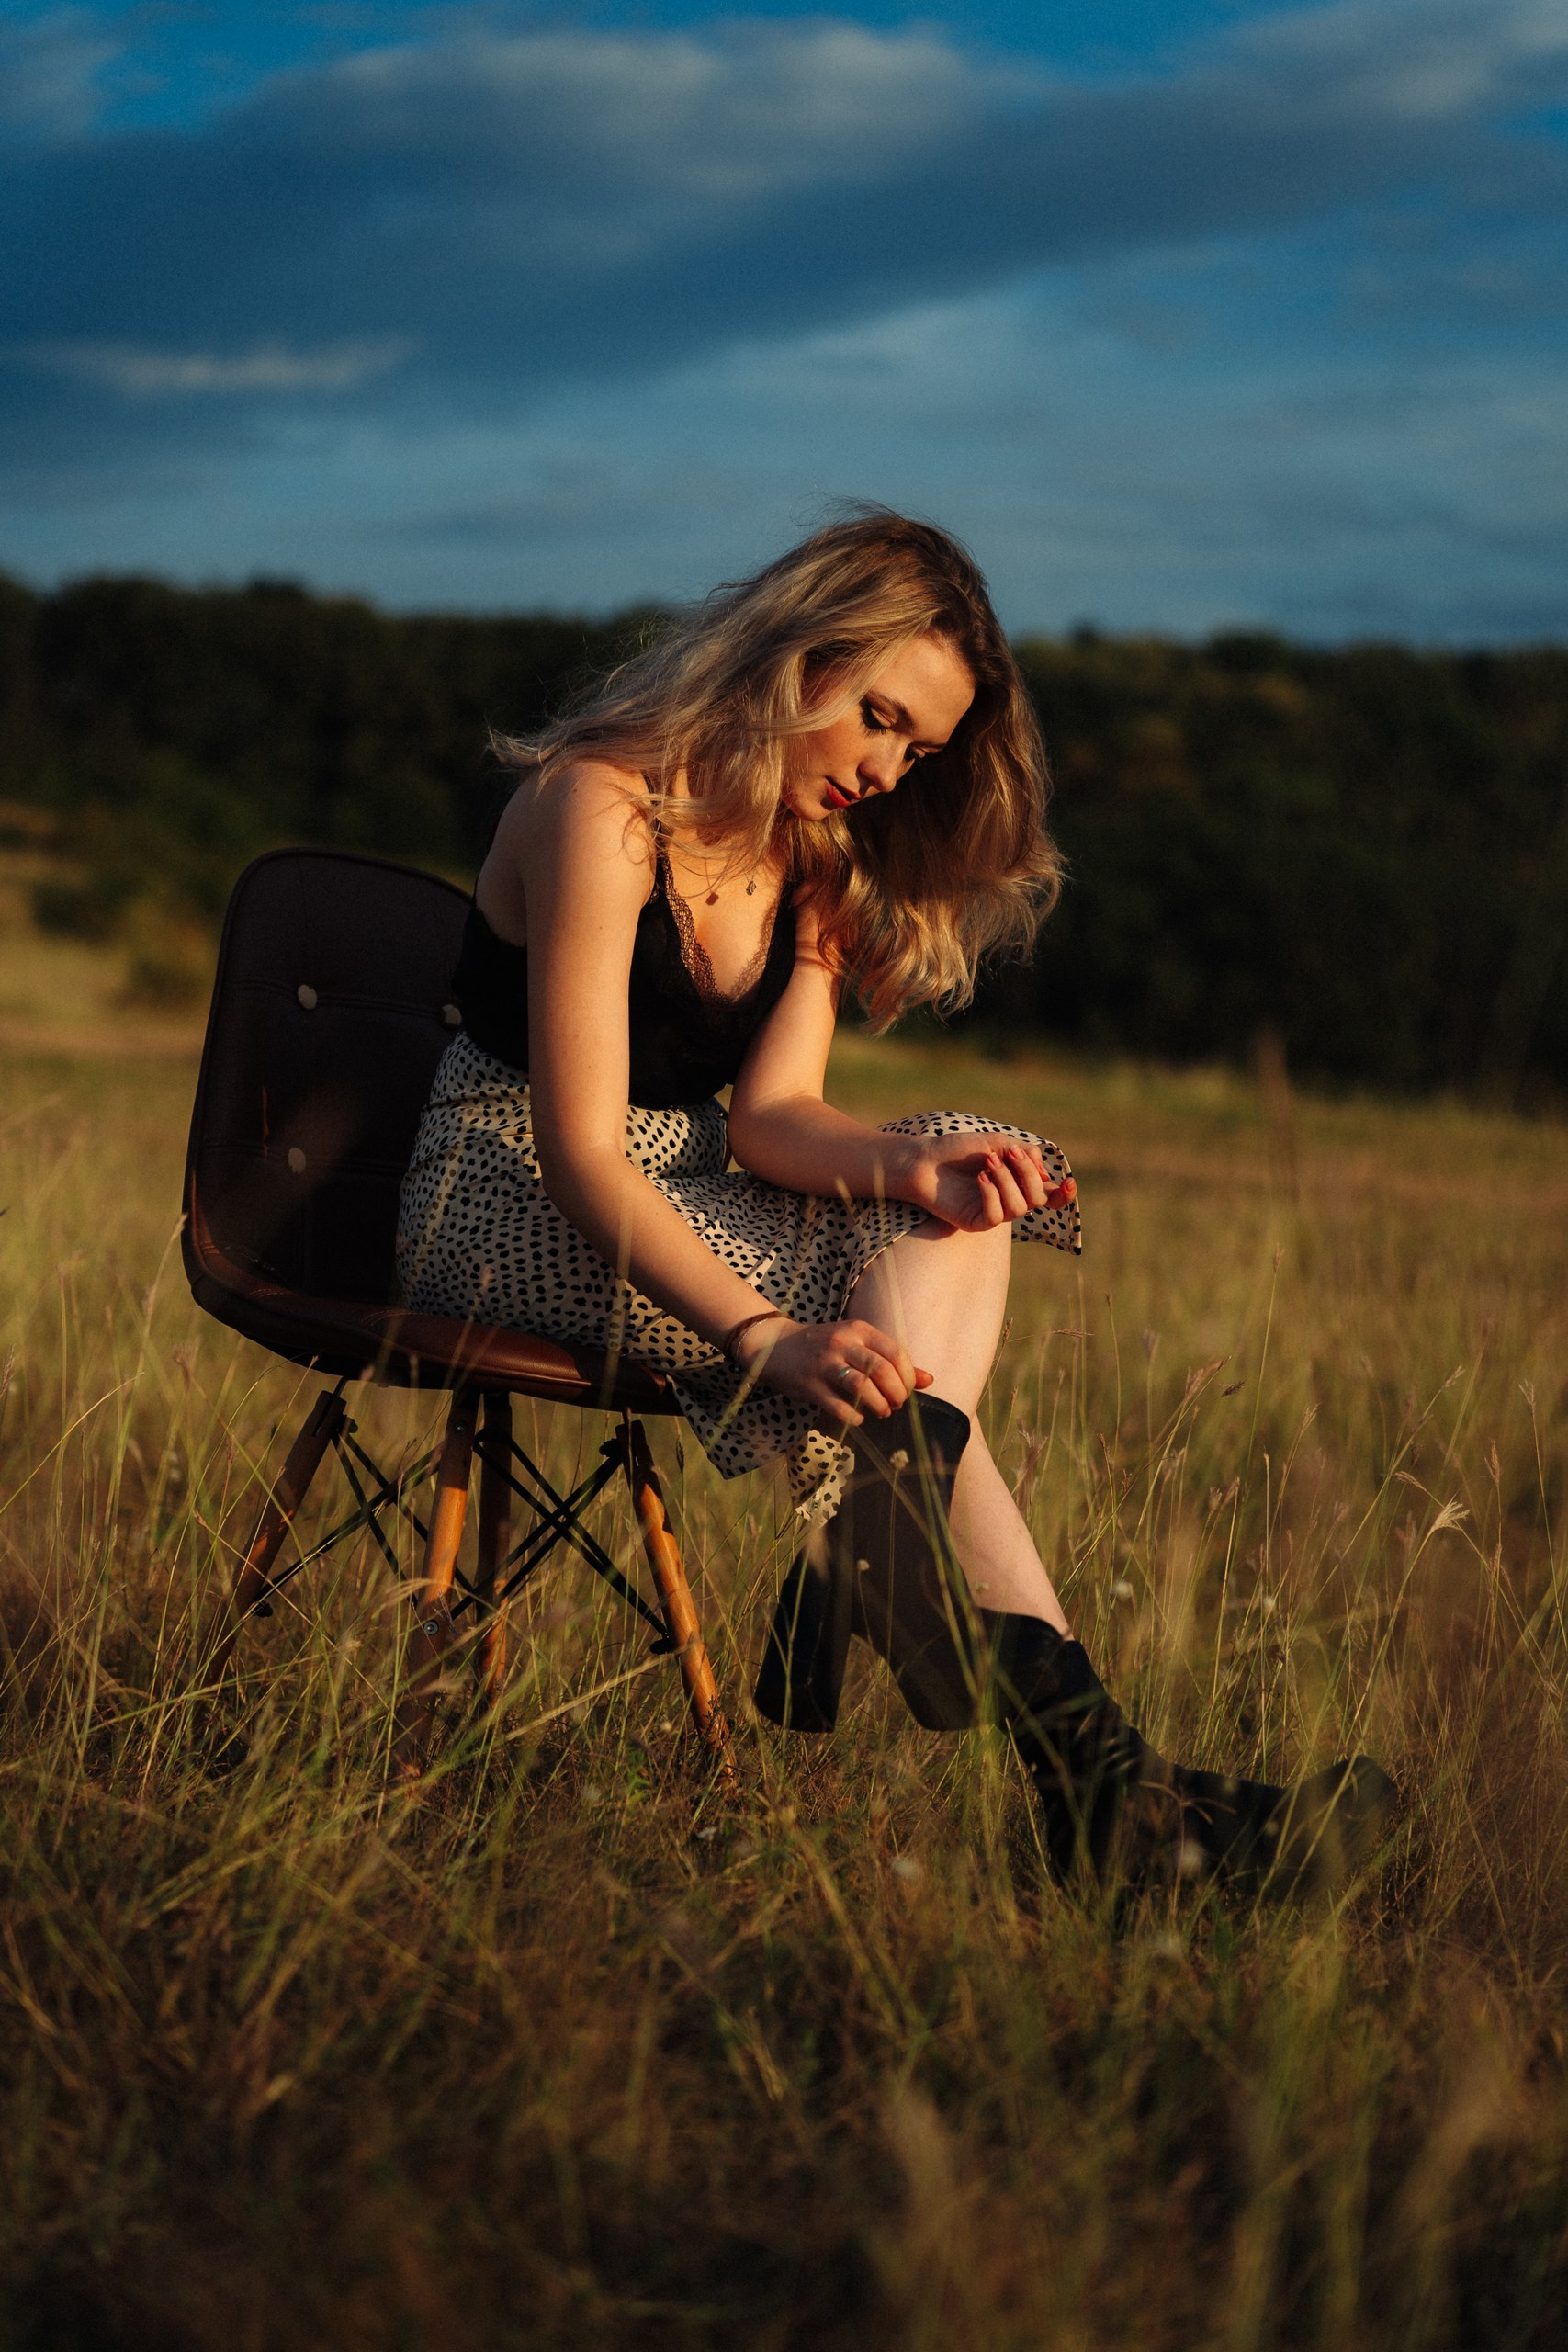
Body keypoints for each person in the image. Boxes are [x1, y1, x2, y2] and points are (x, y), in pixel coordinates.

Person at [397, 512, 1392, 1892]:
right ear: (795, 655)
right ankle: (1103, 1784)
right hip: (501, 1194)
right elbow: (580, 1154)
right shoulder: (602, 808)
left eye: (916, 751)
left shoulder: (810, 854)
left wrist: (913, 1169)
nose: (884, 769)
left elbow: (771, 1119)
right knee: (880, 1318)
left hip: (683, 1176)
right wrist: (765, 1338)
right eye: (878, 718)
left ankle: (926, 1598)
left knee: (969, 1171)